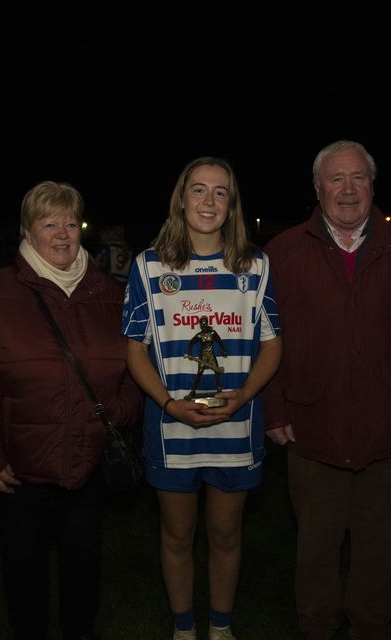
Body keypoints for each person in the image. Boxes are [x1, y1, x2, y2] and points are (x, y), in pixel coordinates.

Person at [262, 140, 391, 640]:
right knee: (316, 551)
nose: (348, 190)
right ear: (317, 188)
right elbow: (263, 336)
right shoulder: (283, 252)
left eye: (358, 179)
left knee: (378, 550)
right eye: (336, 179)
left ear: (372, 186)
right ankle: (317, 630)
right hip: (312, 430)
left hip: (386, 429)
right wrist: (273, 408)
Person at [0, 180, 142, 640]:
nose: (63, 234)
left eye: (71, 222)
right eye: (50, 223)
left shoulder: (110, 292)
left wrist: (117, 412)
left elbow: (136, 367)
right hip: (18, 474)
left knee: (82, 578)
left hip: (87, 469)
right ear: (27, 231)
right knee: (25, 585)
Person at [121, 157, 282, 640]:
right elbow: (135, 350)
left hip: (235, 425)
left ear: (232, 204)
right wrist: (169, 405)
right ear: (181, 199)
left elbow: (273, 344)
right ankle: (184, 629)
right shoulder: (149, 266)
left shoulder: (255, 265)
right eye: (198, 190)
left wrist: (245, 395)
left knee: (226, 535)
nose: (208, 201)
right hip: (172, 429)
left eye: (220, 192)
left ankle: (222, 629)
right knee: (176, 536)